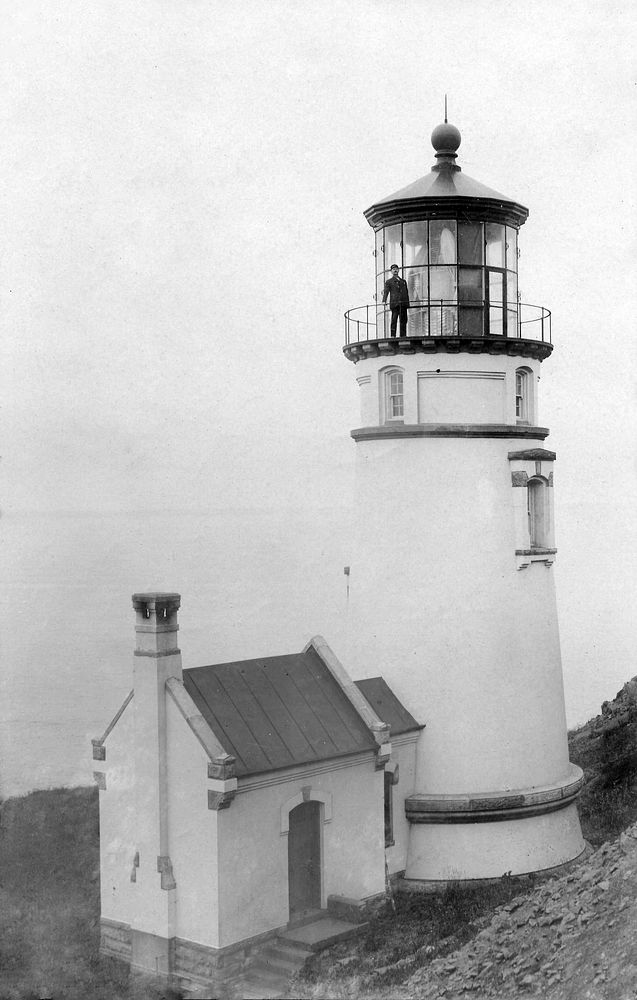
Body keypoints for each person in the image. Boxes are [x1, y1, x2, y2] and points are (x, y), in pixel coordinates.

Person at [382, 264, 410, 337]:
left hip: (403, 304)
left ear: (398, 270)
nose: (395, 270)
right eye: (393, 269)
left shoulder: (403, 281)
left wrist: (407, 304)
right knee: (394, 320)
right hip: (395, 304)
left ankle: (403, 335)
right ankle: (393, 335)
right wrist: (384, 300)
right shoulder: (389, 281)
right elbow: (386, 291)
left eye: (396, 269)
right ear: (391, 271)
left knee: (403, 320)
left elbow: (406, 293)